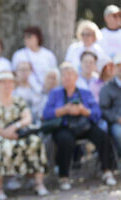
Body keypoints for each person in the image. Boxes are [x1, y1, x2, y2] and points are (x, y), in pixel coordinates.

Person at [43, 63, 116, 191]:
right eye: (64, 76)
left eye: (70, 75)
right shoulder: (55, 93)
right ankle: (64, 176)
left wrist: (84, 110)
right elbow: (46, 114)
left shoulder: (85, 93)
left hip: (84, 125)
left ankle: (107, 171)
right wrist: (64, 110)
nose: (67, 78)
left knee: (103, 136)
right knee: (65, 140)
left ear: (76, 77)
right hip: (64, 126)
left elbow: (97, 112)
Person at [0, 71, 48, 199]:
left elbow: (27, 118)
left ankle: (39, 183)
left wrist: (15, 127)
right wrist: (4, 133)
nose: (7, 85)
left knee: (35, 142)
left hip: (17, 133)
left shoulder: (18, 100)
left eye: (10, 82)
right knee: (1, 146)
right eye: (4, 82)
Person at [12, 26, 57, 92]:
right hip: (25, 91)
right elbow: (14, 74)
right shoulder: (19, 55)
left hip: (45, 91)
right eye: (25, 37)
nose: (26, 39)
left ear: (37, 37)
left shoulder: (48, 55)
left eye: (29, 36)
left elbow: (54, 74)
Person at [99, 53, 121, 156]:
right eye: (119, 65)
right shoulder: (107, 88)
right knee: (119, 134)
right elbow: (103, 110)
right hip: (116, 124)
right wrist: (117, 118)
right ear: (115, 68)